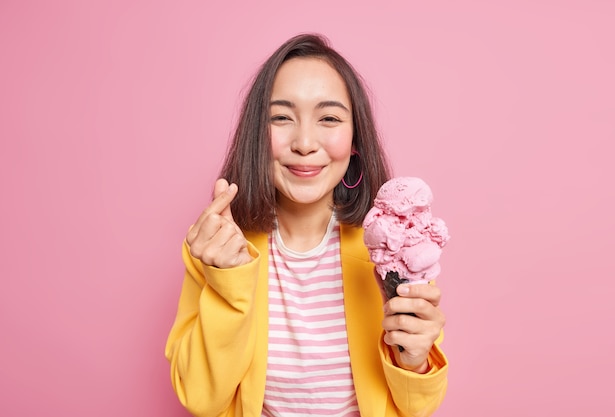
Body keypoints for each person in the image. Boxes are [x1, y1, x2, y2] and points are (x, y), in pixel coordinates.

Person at [165, 33, 448, 417]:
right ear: (256, 136)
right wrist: (227, 283)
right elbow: (201, 399)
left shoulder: (389, 248)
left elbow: (416, 408)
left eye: (328, 118)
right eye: (281, 117)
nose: (303, 142)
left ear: (354, 140)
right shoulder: (219, 249)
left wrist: (413, 360)